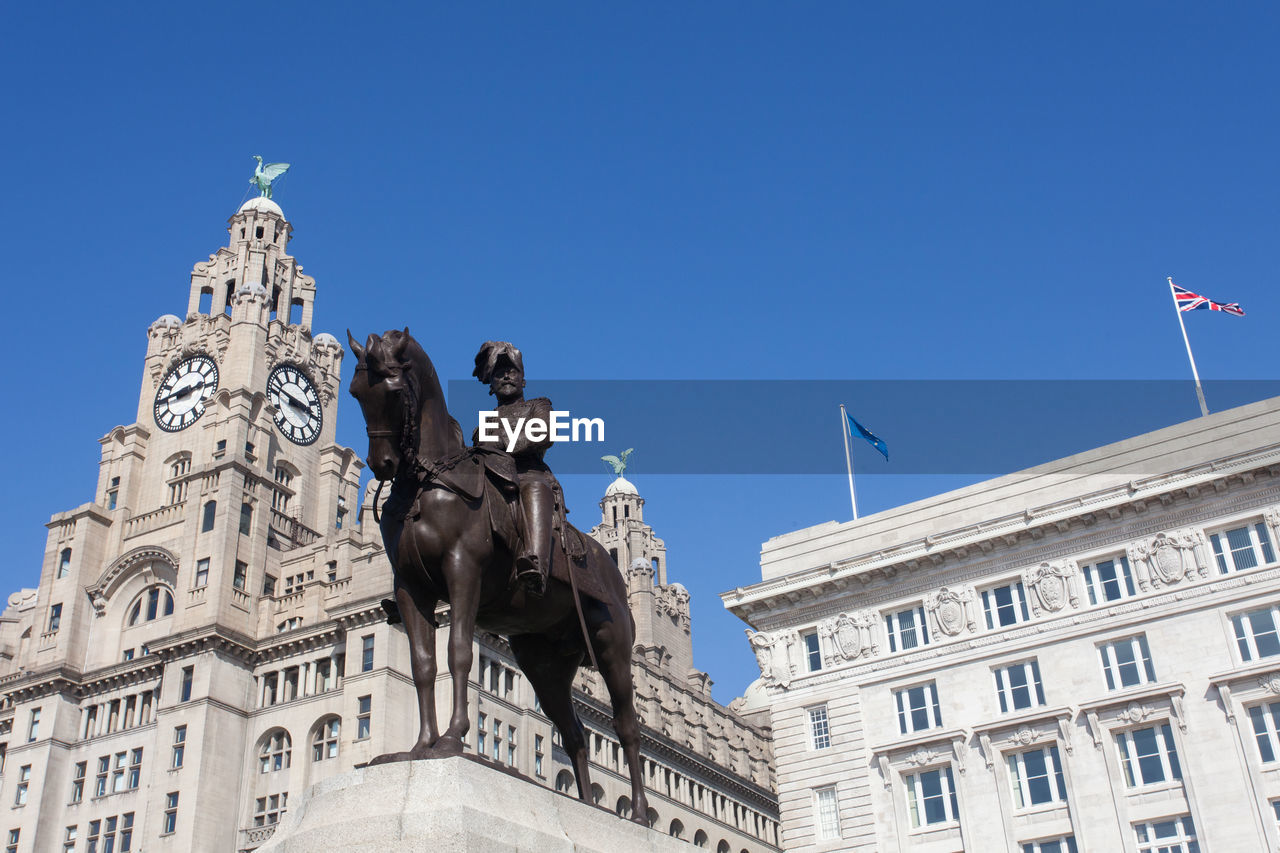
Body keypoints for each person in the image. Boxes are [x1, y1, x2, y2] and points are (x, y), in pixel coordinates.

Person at [473, 341, 557, 596]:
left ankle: (536, 566)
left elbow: (542, 433)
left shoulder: (538, 405)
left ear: (523, 381)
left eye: (513, 371)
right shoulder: (485, 421)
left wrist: (500, 442)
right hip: (492, 479)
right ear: (491, 384)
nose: (507, 376)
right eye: (499, 372)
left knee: (533, 490)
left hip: (529, 475)